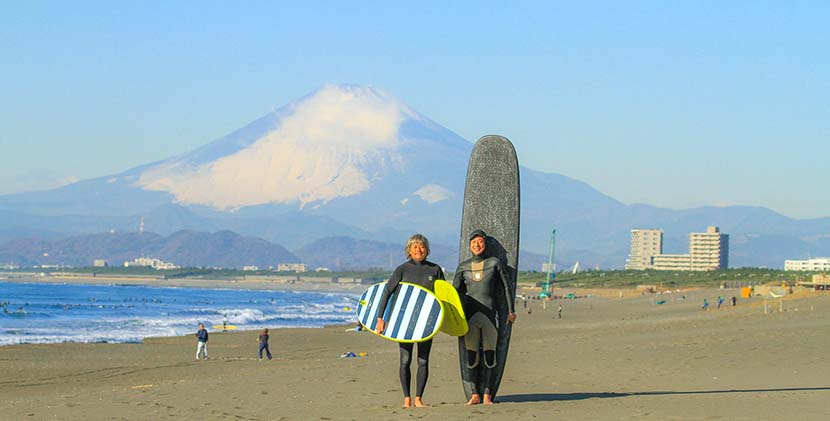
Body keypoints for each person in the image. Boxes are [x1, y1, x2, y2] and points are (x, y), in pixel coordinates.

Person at [376, 234, 445, 409]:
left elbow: (443, 298)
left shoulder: (435, 270)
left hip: (426, 322)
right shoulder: (402, 269)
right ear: (409, 250)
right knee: (405, 360)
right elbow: (387, 292)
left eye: (421, 246)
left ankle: (418, 398)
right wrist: (380, 318)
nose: (418, 250)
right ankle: (407, 398)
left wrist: (444, 322)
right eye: (415, 247)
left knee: (423, 361)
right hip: (404, 322)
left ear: (427, 249)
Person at [453, 230, 516, 405]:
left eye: (480, 242)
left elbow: (506, 287)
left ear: (485, 244)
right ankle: (474, 394)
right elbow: (454, 293)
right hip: (469, 315)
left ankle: (487, 394)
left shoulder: (494, 263)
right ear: (469, 246)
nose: (477, 245)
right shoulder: (463, 267)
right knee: (471, 355)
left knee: (490, 355)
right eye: (474, 242)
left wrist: (511, 310)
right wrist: (452, 317)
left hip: (490, 314)